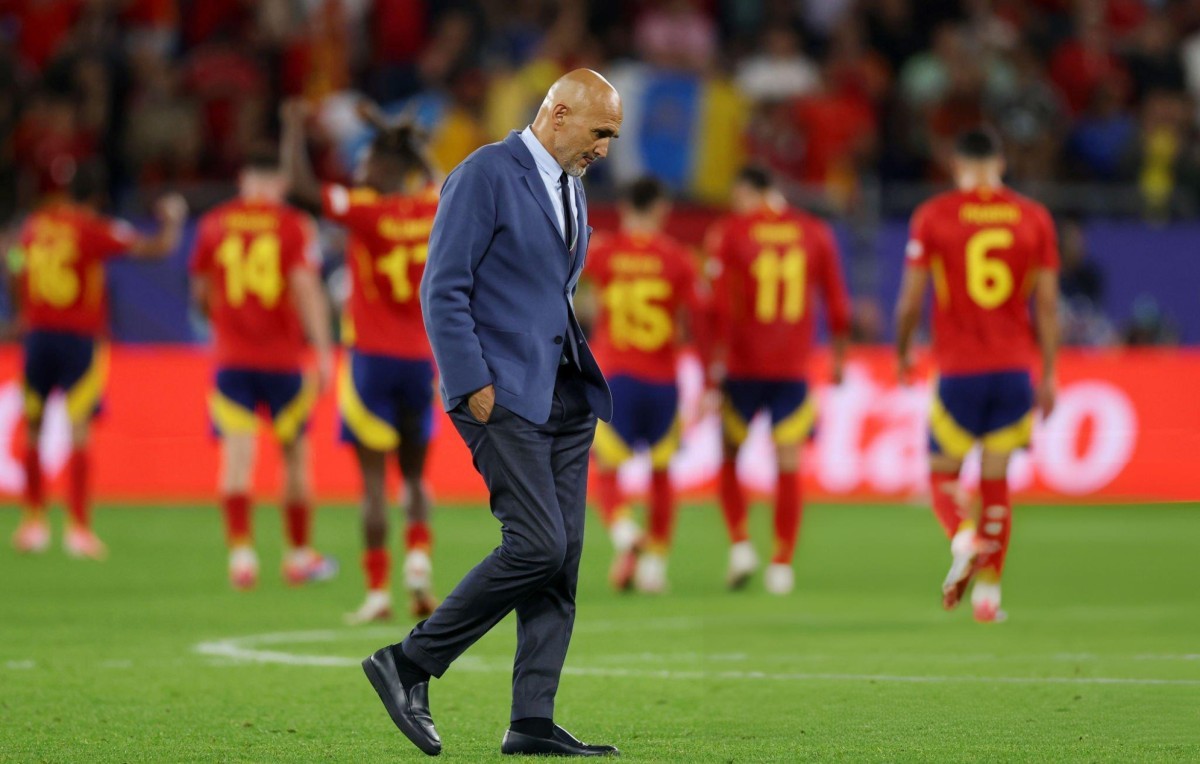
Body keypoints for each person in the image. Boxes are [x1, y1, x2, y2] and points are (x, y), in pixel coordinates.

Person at [361, 69, 621, 758]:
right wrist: (471, 381)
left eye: (612, 137)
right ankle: (407, 663)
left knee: (560, 561)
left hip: (563, 393)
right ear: (559, 114)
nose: (605, 148)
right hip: (501, 391)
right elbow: (442, 287)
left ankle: (531, 718)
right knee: (537, 544)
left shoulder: (571, 184)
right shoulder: (483, 174)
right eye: (600, 132)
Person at [281, 99, 442, 624]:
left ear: (386, 169)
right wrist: (408, 142)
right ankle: (418, 567)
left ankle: (377, 593)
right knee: (415, 478)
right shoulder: (430, 209)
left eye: (368, 161)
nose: (360, 168)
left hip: (372, 361)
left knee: (373, 485)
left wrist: (292, 129)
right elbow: (443, 181)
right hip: (421, 361)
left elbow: (300, 190)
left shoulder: (364, 210)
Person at [894, 127, 1060, 623]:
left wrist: (902, 352)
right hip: (1014, 369)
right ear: (1001, 163)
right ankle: (989, 599)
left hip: (960, 369)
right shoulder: (1034, 217)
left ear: (956, 165)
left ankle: (963, 537)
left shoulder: (934, 215)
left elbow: (910, 302)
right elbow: (1047, 307)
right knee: (996, 482)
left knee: (942, 472)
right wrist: (1049, 374)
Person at [9, 161, 186, 559]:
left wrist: (22, 307)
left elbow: (14, 260)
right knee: (79, 430)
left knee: (34, 427)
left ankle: (33, 523)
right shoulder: (93, 229)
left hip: (38, 336)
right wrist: (173, 220)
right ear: (99, 197)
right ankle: (78, 528)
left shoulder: (36, 225)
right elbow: (156, 249)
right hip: (78, 339)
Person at [188, 149, 337, 591]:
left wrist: (222, 324)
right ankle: (298, 556)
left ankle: (241, 557)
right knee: (295, 457)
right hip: (282, 360)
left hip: (232, 359)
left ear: (243, 178)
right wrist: (323, 350)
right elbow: (305, 288)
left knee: (236, 458)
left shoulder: (214, 223)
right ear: (281, 182)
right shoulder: (293, 224)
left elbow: (200, 290)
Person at [705, 166, 850, 596]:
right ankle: (782, 565)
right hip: (792, 367)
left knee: (729, 456)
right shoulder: (814, 231)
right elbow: (836, 301)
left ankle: (740, 545)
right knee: (789, 465)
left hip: (743, 366)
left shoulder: (732, 232)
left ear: (748, 191)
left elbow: (718, 306)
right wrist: (839, 355)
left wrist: (715, 362)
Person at [583, 176, 701, 593]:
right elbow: (697, 319)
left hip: (618, 378)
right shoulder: (679, 259)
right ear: (660, 208)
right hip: (663, 380)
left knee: (606, 467)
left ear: (625, 207)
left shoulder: (604, 253)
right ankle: (654, 567)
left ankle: (624, 532)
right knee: (662, 473)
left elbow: (570, 293)